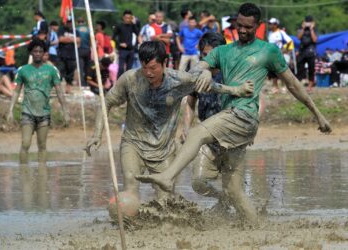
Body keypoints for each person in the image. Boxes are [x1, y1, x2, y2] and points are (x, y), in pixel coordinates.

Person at [136, 3, 332, 224]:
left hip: (244, 116)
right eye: (240, 26)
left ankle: (167, 176)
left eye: (248, 27)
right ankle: (257, 230)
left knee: (197, 132)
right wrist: (207, 73)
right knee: (233, 190)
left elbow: (294, 84)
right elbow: (198, 68)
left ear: (258, 26)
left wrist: (318, 114)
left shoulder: (268, 51)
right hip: (230, 121)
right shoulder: (222, 51)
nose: (243, 30)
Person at [84, 41, 249, 202]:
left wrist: (235, 90)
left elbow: (210, 85)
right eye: (145, 68)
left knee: (165, 199)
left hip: (164, 149)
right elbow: (107, 102)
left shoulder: (179, 81)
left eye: (153, 68)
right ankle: (128, 218)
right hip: (133, 143)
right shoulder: (130, 79)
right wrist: (97, 135)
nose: (148, 73)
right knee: (130, 184)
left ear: (165, 63)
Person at [182, 32, 238, 205]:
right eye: (204, 55)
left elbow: (254, 100)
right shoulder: (196, 75)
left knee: (234, 189)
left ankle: (232, 208)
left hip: (231, 139)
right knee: (198, 183)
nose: (207, 59)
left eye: (211, 54)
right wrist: (185, 127)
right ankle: (222, 200)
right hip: (207, 138)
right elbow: (190, 102)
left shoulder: (233, 72)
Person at [6, 39, 70, 164]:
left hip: (44, 114)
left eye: (40, 51)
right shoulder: (23, 70)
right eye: (35, 51)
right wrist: (10, 110)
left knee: (42, 146)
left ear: (44, 53)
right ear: (31, 52)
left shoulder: (51, 70)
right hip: (27, 112)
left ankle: (42, 174)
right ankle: (23, 172)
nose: (38, 53)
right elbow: (16, 91)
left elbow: (59, 92)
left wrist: (65, 111)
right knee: (25, 144)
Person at [267, 17, 293, 94]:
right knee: (273, 72)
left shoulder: (281, 32)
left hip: (279, 54)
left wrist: (285, 50)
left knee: (282, 72)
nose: (270, 25)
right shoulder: (270, 33)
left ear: (276, 25)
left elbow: (289, 41)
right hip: (272, 55)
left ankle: (284, 87)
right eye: (269, 24)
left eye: (271, 24)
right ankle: (275, 87)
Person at [57, 16, 81, 94]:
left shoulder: (75, 31)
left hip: (72, 55)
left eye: (70, 22)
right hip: (62, 54)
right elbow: (60, 39)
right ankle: (59, 89)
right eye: (68, 22)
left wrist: (67, 39)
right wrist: (72, 40)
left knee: (70, 72)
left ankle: (68, 88)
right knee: (61, 71)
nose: (69, 24)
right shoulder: (61, 29)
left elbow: (78, 40)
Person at [112, 10, 139, 78]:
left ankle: (127, 84)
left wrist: (134, 23)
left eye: (129, 18)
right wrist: (119, 44)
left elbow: (138, 34)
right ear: (123, 17)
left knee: (129, 69)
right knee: (121, 68)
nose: (127, 19)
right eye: (126, 18)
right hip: (122, 50)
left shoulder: (132, 26)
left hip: (131, 49)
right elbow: (113, 37)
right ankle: (118, 84)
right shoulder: (119, 26)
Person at [297, 15, 318, 92]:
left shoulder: (314, 29)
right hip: (302, 51)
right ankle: (299, 84)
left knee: (311, 69)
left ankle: (310, 86)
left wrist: (311, 29)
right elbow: (298, 37)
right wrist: (303, 28)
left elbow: (315, 40)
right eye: (307, 22)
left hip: (311, 51)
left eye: (309, 22)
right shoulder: (301, 28)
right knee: (300, 67)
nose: (308, 24)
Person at [77, 17, 91, 87]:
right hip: (87, 49)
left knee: (80, 67)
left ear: (77, 22)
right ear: (84, 22)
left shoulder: (76, 29)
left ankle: (81, 83)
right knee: (87, 67)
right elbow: (92, 40)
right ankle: (86, 82)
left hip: (79, 49)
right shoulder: (88, 29)